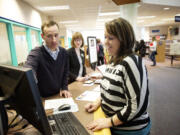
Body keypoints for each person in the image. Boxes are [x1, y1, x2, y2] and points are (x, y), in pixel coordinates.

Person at [85, 17, 151, 135]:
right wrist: (98, 102)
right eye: (105, 37)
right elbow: (110, 88)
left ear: (123, 39)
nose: (105, 42)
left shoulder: (131, 62)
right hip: (114, 126)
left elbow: (137, 106)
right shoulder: (113, 59)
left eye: (111, 38)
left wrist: (108, 122)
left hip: (129, 130)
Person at [25, 20, 72, 98]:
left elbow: (65, 73)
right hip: (43, 97)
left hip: (58, 94)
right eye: (49, 36)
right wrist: (30, 77)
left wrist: (64, 88)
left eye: (56, 35)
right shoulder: (36, 53)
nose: (54, 40)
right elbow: (29, 67)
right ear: (42, 36)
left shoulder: (64, 52)